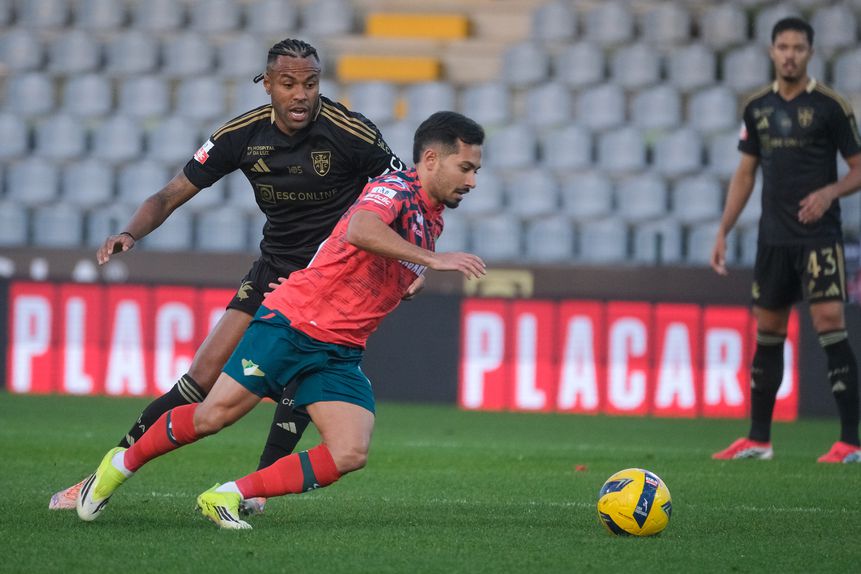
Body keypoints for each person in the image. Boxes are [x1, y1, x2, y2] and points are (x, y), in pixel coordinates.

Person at [75, 111, 486, 529]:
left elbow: (387, 270)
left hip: (340, 349)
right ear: (431, 159)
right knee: (211, 417)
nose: (472, 181)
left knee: (349, 452)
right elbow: (361, 228)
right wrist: (433, 260)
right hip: (294, 324)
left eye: (475, 171)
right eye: (465, 168)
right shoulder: (395, 188)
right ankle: (117, 467)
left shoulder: (430, 219)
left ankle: (227, 496)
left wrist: (409, 281)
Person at [50, 38, 406, 512]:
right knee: (200, 377)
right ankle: (101, 475)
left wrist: (407, 264)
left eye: (311, 83)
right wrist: (129, 232)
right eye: (288, 83)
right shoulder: (242, 135)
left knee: (301, 373)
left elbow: (405, 196)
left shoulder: (350, 132)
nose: (301, 94)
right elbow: (169, 194)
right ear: (267, 85)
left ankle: (253, 490)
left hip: (329, 281)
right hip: (274, 268)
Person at [710, 17, 861, 463]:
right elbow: (745, 173)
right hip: (773, 238)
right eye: (783, 47)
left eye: (798, 47)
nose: (790, 54)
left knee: (830, 321)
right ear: (772, 51)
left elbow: (859, 167)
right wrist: (723, 230)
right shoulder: (757, 107)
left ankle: (851, 441)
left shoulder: (832, 106)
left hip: (819, 237)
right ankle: (759, 438)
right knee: (769, 328)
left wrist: (829, 192)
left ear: (810, 52)